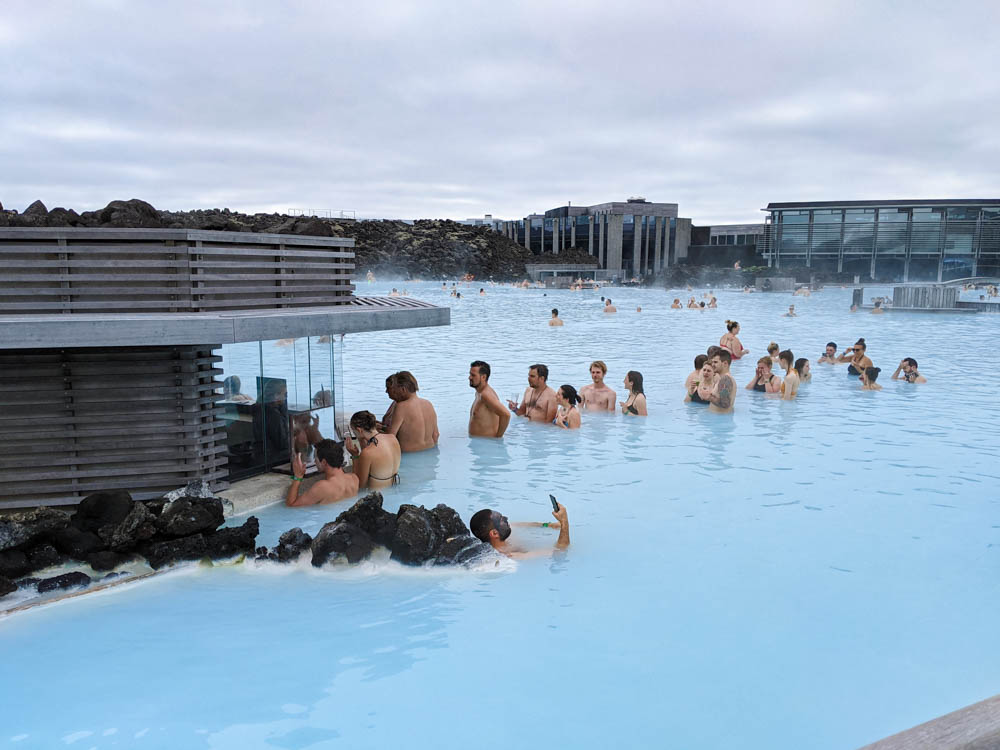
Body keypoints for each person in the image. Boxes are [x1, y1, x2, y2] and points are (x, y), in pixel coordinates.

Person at [469, 503, 570, 558]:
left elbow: (522, 524)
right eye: (501, 519)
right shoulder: (511, 556)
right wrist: (564, 522)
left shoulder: (501, 533)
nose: (506, 518)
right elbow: (561, 551)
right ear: (494, 533)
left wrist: (548, 525)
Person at [286, 439, 359, 507]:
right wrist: (355, 456)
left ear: (324, 462)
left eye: (315, 458)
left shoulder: (322, 487)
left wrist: (298, 476)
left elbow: (291, 504)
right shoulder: (353, 478)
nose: (314, 461)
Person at [382, 371, 439, 452]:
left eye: (394, 389)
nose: (390, 392)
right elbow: (436, 435)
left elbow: (391, 437)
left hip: (408, 455)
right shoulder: (428, 404)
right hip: (430, 452)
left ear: (403, 389)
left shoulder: (401, 406)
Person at [345, 410, 401, 489]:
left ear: (359, 430)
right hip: (394, 489)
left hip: (376, 495)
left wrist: (355, 456)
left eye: (354, 431)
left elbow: (361, 486)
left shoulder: (367, 453)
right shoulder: (393, 438)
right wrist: (361, 440)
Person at [468, 360, 510, 438]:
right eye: (470, 374)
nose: (469, 377)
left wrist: (498, 437)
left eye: (473, 375)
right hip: (479, 442)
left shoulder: (486, 395)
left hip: (486, 444)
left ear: (483, 377)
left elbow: (506, 414)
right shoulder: (479, 392)